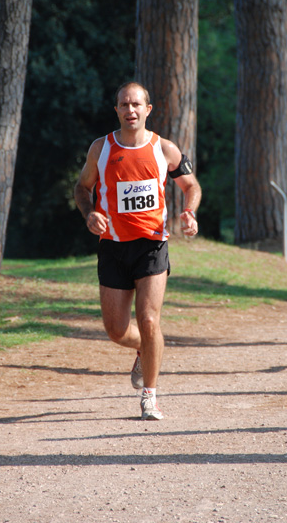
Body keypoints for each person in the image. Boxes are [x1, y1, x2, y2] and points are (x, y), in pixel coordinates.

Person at [74, 81, 202, 420]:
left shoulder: (164, 149)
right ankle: (146, 349)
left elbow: (191, 185)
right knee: (116, 331)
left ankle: (150, 397)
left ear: (148, 109)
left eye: (136, 105)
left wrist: (188, 212)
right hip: (113, 247)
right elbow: (82, 188)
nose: (130, 110)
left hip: (152, 245)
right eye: (123, 105)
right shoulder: (100, 149)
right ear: (116, 110)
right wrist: (90, 215)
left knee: (148, 319)